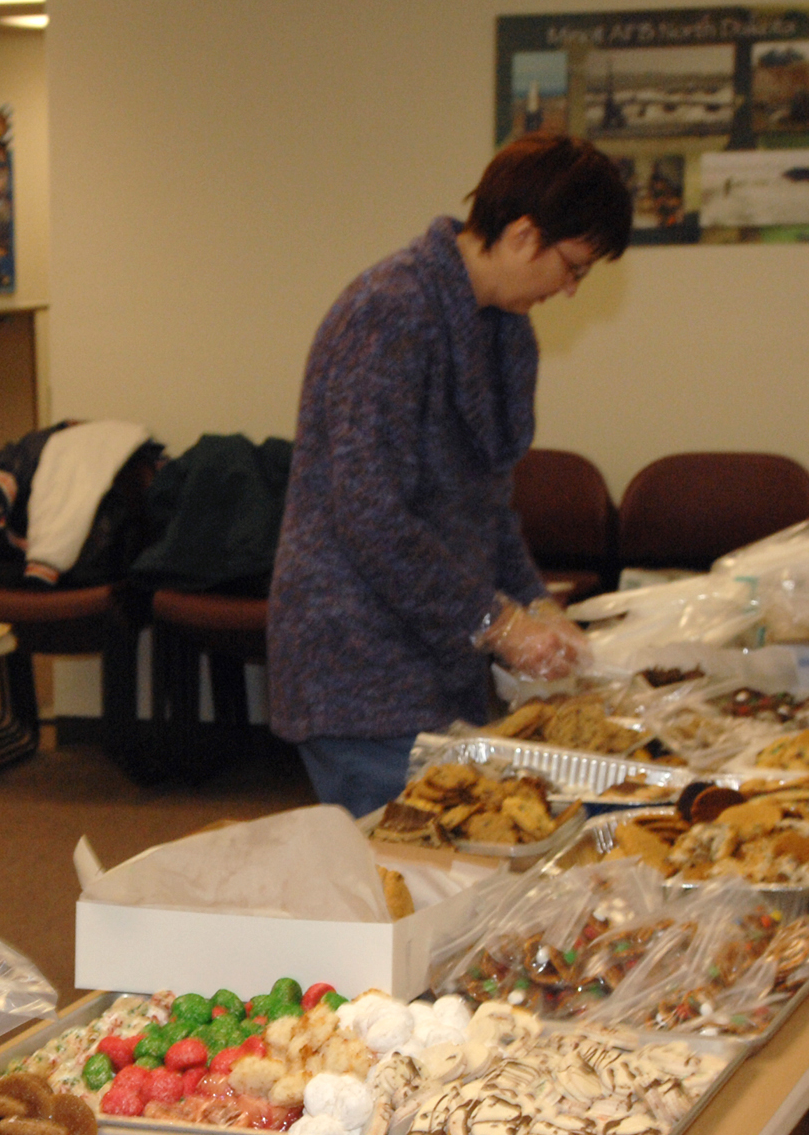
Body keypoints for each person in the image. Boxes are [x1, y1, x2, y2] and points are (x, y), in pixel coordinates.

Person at [267, 134, 632, 818]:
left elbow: (488, 506)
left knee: (458, 876)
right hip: (358, 668)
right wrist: (499, 622)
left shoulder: (505, 327)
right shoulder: (390, 311)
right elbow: (369, 514)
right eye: (574, 266)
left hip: (435, 654)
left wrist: (536, 602)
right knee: (411, 883)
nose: (572, 288)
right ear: (525, 235)